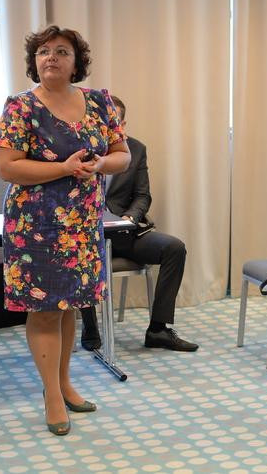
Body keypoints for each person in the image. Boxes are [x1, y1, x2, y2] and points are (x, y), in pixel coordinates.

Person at [0, 25, 131, 436]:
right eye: (43, 52)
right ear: (34, 62)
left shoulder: (100, 102)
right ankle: (52, 395)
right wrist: (64, 168)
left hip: (82, 225)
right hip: (34, 226)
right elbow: (8, 167)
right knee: (44, 309)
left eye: (61, 51)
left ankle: (65, 383)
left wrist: (100, 164)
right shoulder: (20, 107)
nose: (50, 57)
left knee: (69, 305)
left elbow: (121, 155)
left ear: (76, 63)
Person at [79, 95, 198, 353]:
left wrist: (130, 218)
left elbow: (143, 196)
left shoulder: (136, 149)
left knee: (174, 248)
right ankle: (90, 326)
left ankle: (158, 329)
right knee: (78, 255)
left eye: (114, 121)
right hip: (88, 237)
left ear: (122, 124)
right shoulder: (79, 150)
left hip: (126, 233)